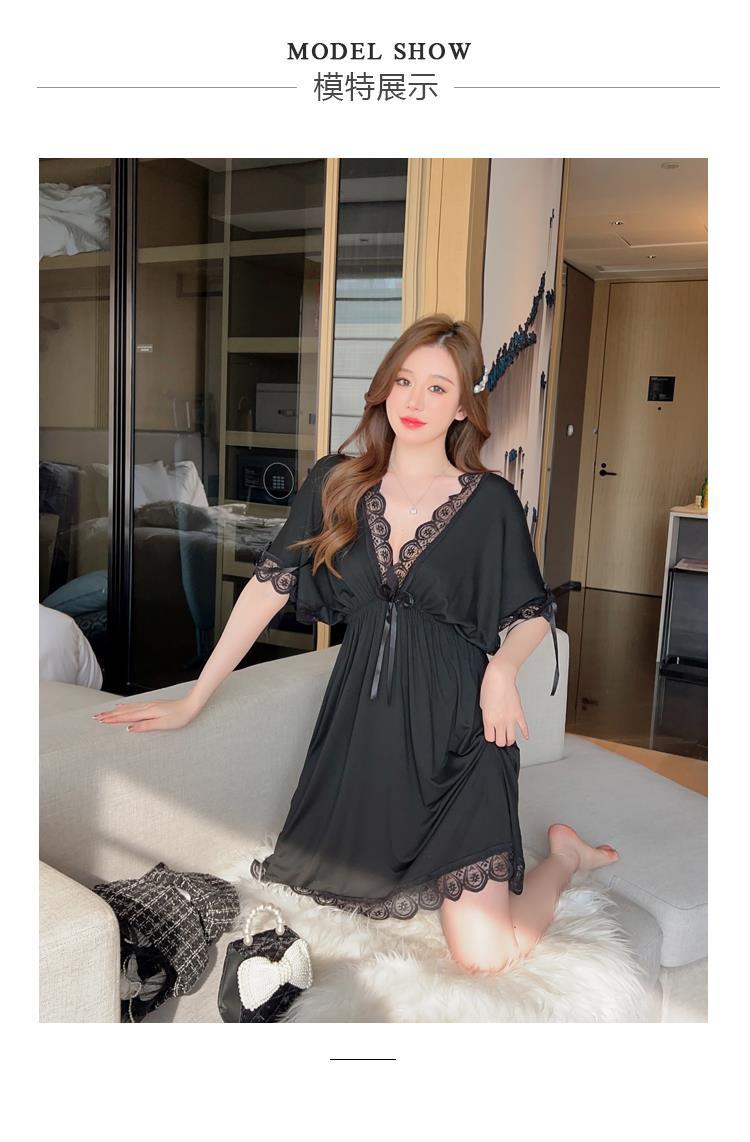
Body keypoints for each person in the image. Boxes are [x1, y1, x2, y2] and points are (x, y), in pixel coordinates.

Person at [93, 314, 619, 975]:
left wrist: (503, 670)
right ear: (384, 388)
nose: (415, 400)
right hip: (367, 744)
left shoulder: (490, 502)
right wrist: (195, 697)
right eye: (404, 381)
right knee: (333, 896)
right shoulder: (336, 483)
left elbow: (532, 613)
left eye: (437, 387)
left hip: (464, 742)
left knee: (487, 957)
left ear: (462, 406)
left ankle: (565, 858)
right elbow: (268, 587)